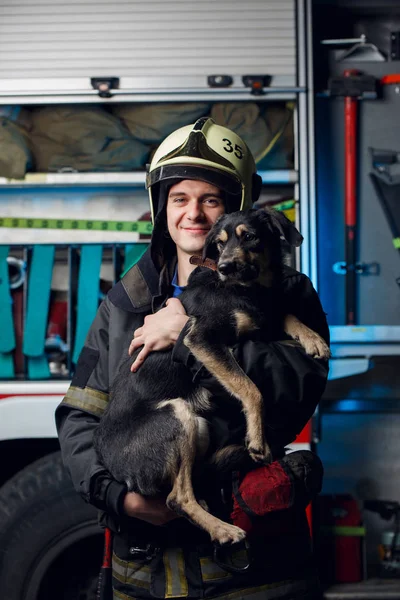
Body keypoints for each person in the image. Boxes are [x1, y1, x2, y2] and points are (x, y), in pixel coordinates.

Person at [56, 117, 330, 600]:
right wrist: (121, 498)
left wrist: (183, 338)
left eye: (212, 200)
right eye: (179, 199)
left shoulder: (290, 296)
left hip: (253, 571)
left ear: (236, 209)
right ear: (161, 208)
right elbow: (81, 416)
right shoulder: (125, 303)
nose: (194, 214)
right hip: (144, 572)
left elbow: (293, 394)